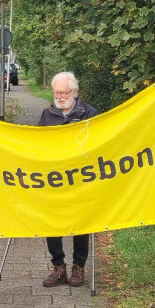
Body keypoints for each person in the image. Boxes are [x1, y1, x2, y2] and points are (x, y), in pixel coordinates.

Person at [38, 71, 98, 288]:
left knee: (81, 222)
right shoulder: (47, 114)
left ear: (75, 91)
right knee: (52, 222)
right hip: (53, 178)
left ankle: (78, 266)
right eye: (57, 92)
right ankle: (58, 267)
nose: (60, 96)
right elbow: (37, 143)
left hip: (80, 179)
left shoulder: (89, 113)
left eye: (65, 92)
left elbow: (97, 145)